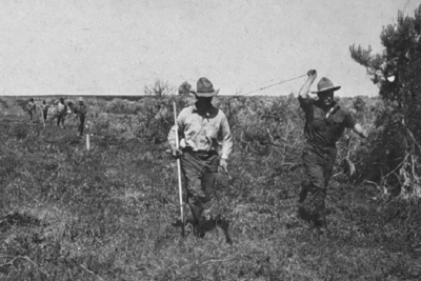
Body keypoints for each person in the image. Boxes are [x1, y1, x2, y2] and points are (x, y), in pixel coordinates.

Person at [297, 69, 367, 231]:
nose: (328, 96)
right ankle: (321, 222)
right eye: (324, 93)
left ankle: (306, 185)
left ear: (333, 93)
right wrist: (311, 78)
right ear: (319, 95)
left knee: (321, 185)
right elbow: (301, 95)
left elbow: (355, 125)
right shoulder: (312, 107)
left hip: (329, 153)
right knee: (319, 184)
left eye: (330, 92)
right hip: (312, 150)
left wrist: (364, 133)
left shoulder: (342, 112)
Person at [168, 77, 233, 242]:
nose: (207, 101)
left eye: (209, 97)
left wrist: (224, 158)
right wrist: (174, 147)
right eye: (204, 98)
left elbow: (227, 138)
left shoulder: (219, 115)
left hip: (211, 158)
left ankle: (199, 213)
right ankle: (198, 224)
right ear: (198, 98)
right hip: (190, 157)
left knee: (207, 194)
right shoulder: (186, 113)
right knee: (194, 193)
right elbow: (174, 133)